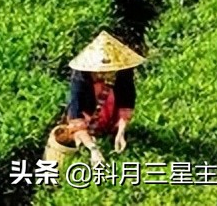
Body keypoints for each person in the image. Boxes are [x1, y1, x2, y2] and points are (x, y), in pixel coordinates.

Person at [47, 31, 145, 166]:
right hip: (88, 120)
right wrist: (93, 148)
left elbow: (126, 104)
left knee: (118, 142)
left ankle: (110, 136)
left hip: (111, 117)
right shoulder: (80, 77)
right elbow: (76, 116)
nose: (105, 74)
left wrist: (120, 133)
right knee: (82, 146)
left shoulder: (123, 73)